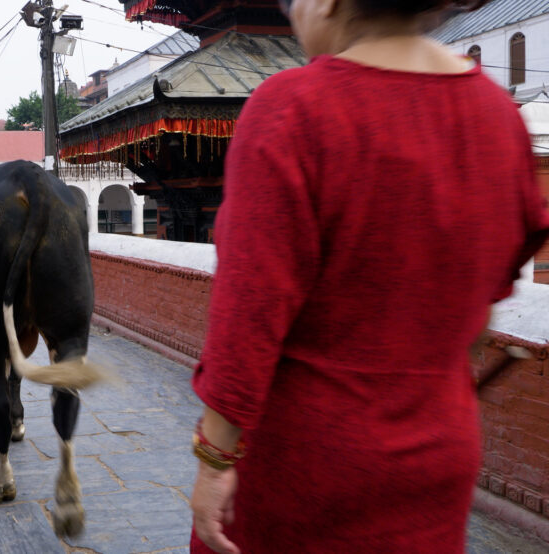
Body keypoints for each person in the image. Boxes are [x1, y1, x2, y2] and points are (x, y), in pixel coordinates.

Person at [189, 1, 549, 553]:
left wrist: (215, 460)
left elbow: (248, 314)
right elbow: (484, 301)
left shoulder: (292, 108)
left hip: (305, 465)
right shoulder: (499, 116)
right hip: (438, 459)